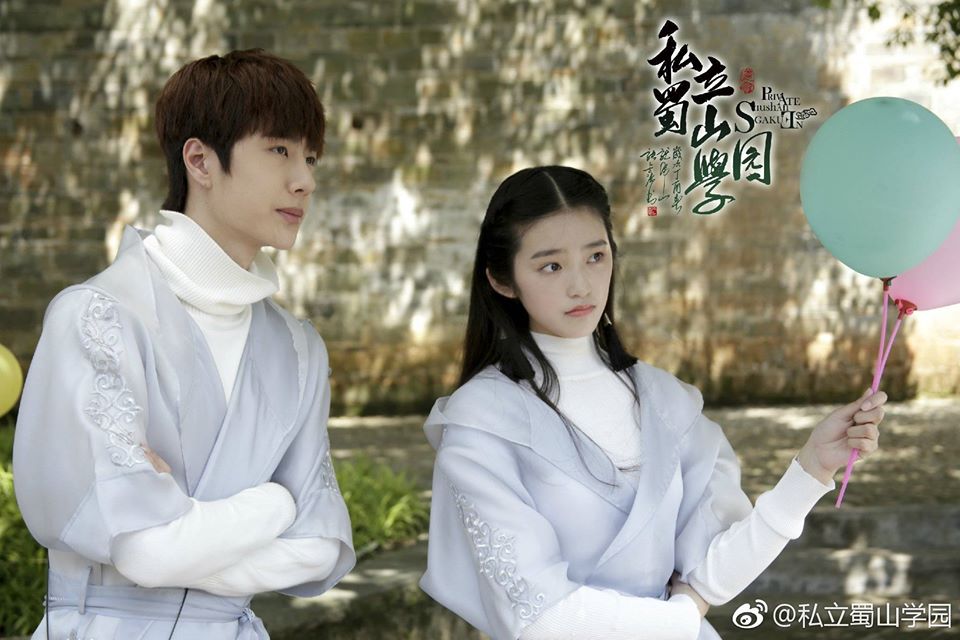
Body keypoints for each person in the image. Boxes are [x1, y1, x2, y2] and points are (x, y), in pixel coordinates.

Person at [419, 166, 885, 640]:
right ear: (502, 279)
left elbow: (713, 571)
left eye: (596, 256)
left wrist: (811, 469)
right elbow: (543, 620)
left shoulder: (665, 399)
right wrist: (684, 615)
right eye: (551, 266)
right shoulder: (482, 420)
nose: (581, 286)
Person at [12, 49, 355, 639]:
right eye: (279, 150)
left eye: (310, 156)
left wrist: (179, 533)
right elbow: (146, 553)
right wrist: (275, 504)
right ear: (199, 160)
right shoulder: (98, 318)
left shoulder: (299, 350)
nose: (305, 179)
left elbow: (319, 549)